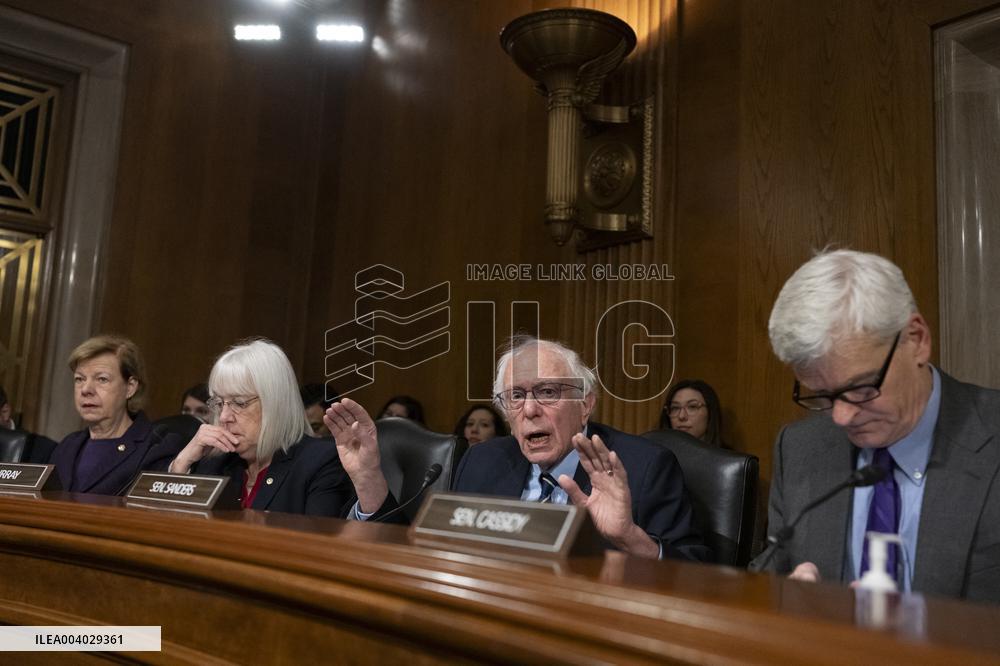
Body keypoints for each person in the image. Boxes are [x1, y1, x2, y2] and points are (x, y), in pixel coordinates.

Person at [753, 249, 1000, 604]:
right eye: (821, 395)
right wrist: (781, 595)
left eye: (860, 388)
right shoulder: (799, 448)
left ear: (916, 339)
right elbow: (768, 573)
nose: (841, 417)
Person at [327, 336, 708, 561]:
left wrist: (628, 537)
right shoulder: (483, 461)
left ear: (587, 404)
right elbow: (426, 556)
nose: (529, 410)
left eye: (547, 392)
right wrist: (368, 478)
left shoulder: (643, 466)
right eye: (515, 396)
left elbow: (696, 578)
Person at [168, 339, 354, 516]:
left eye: (239, 403)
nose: (224, 417)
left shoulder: (319, 462)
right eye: (219, 403)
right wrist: (181, 464)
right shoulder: (215, 462)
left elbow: (317, 542)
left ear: (275, 404)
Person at [50, 335, 184, 494]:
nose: (86, 389)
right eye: (79, 379)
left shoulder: (155, 447)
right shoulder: (67, 446)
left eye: (101, 379)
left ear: (130, 387)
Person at [659, 379, 724, 447]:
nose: (682, 416)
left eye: (692, 407)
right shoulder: (656, 454)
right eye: (675, 408)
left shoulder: (728, 457)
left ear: (710, 413)